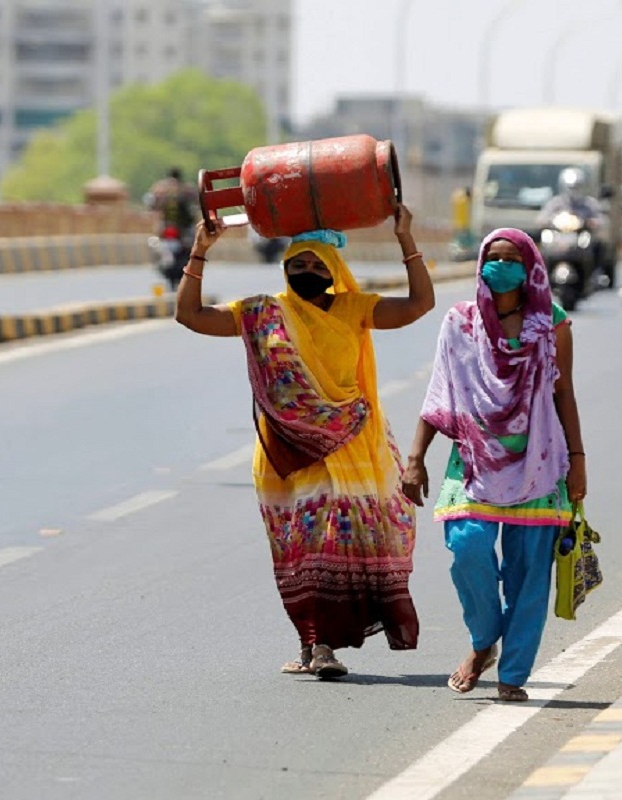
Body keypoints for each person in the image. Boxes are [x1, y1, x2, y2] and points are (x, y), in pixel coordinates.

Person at [175, 205, 435, 679]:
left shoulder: (355, 309)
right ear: (284, 268)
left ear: (335, 271)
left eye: (318, 266)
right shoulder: (261, 313)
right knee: (300, 547)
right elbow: (190, 315)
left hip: (350, 446)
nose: (307, 273)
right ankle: (313, 643)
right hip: (286, 453)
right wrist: (200, 249)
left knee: (335, 543)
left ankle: (321, 646)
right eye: (298, 265)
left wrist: (405, 238)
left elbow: (418, 305)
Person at [401, 228, 587, 703]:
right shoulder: (460, 323)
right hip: (474, 460)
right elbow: (440, 392)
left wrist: (578, 461)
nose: (500, 266)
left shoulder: (553, 325)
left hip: (540, 465)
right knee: (467, 548)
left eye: (511, 258)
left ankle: (514, 672)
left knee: (529, 575)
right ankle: (484, 641)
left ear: (531, 269)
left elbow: (563, 394)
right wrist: (416, 458)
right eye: (493, 257)